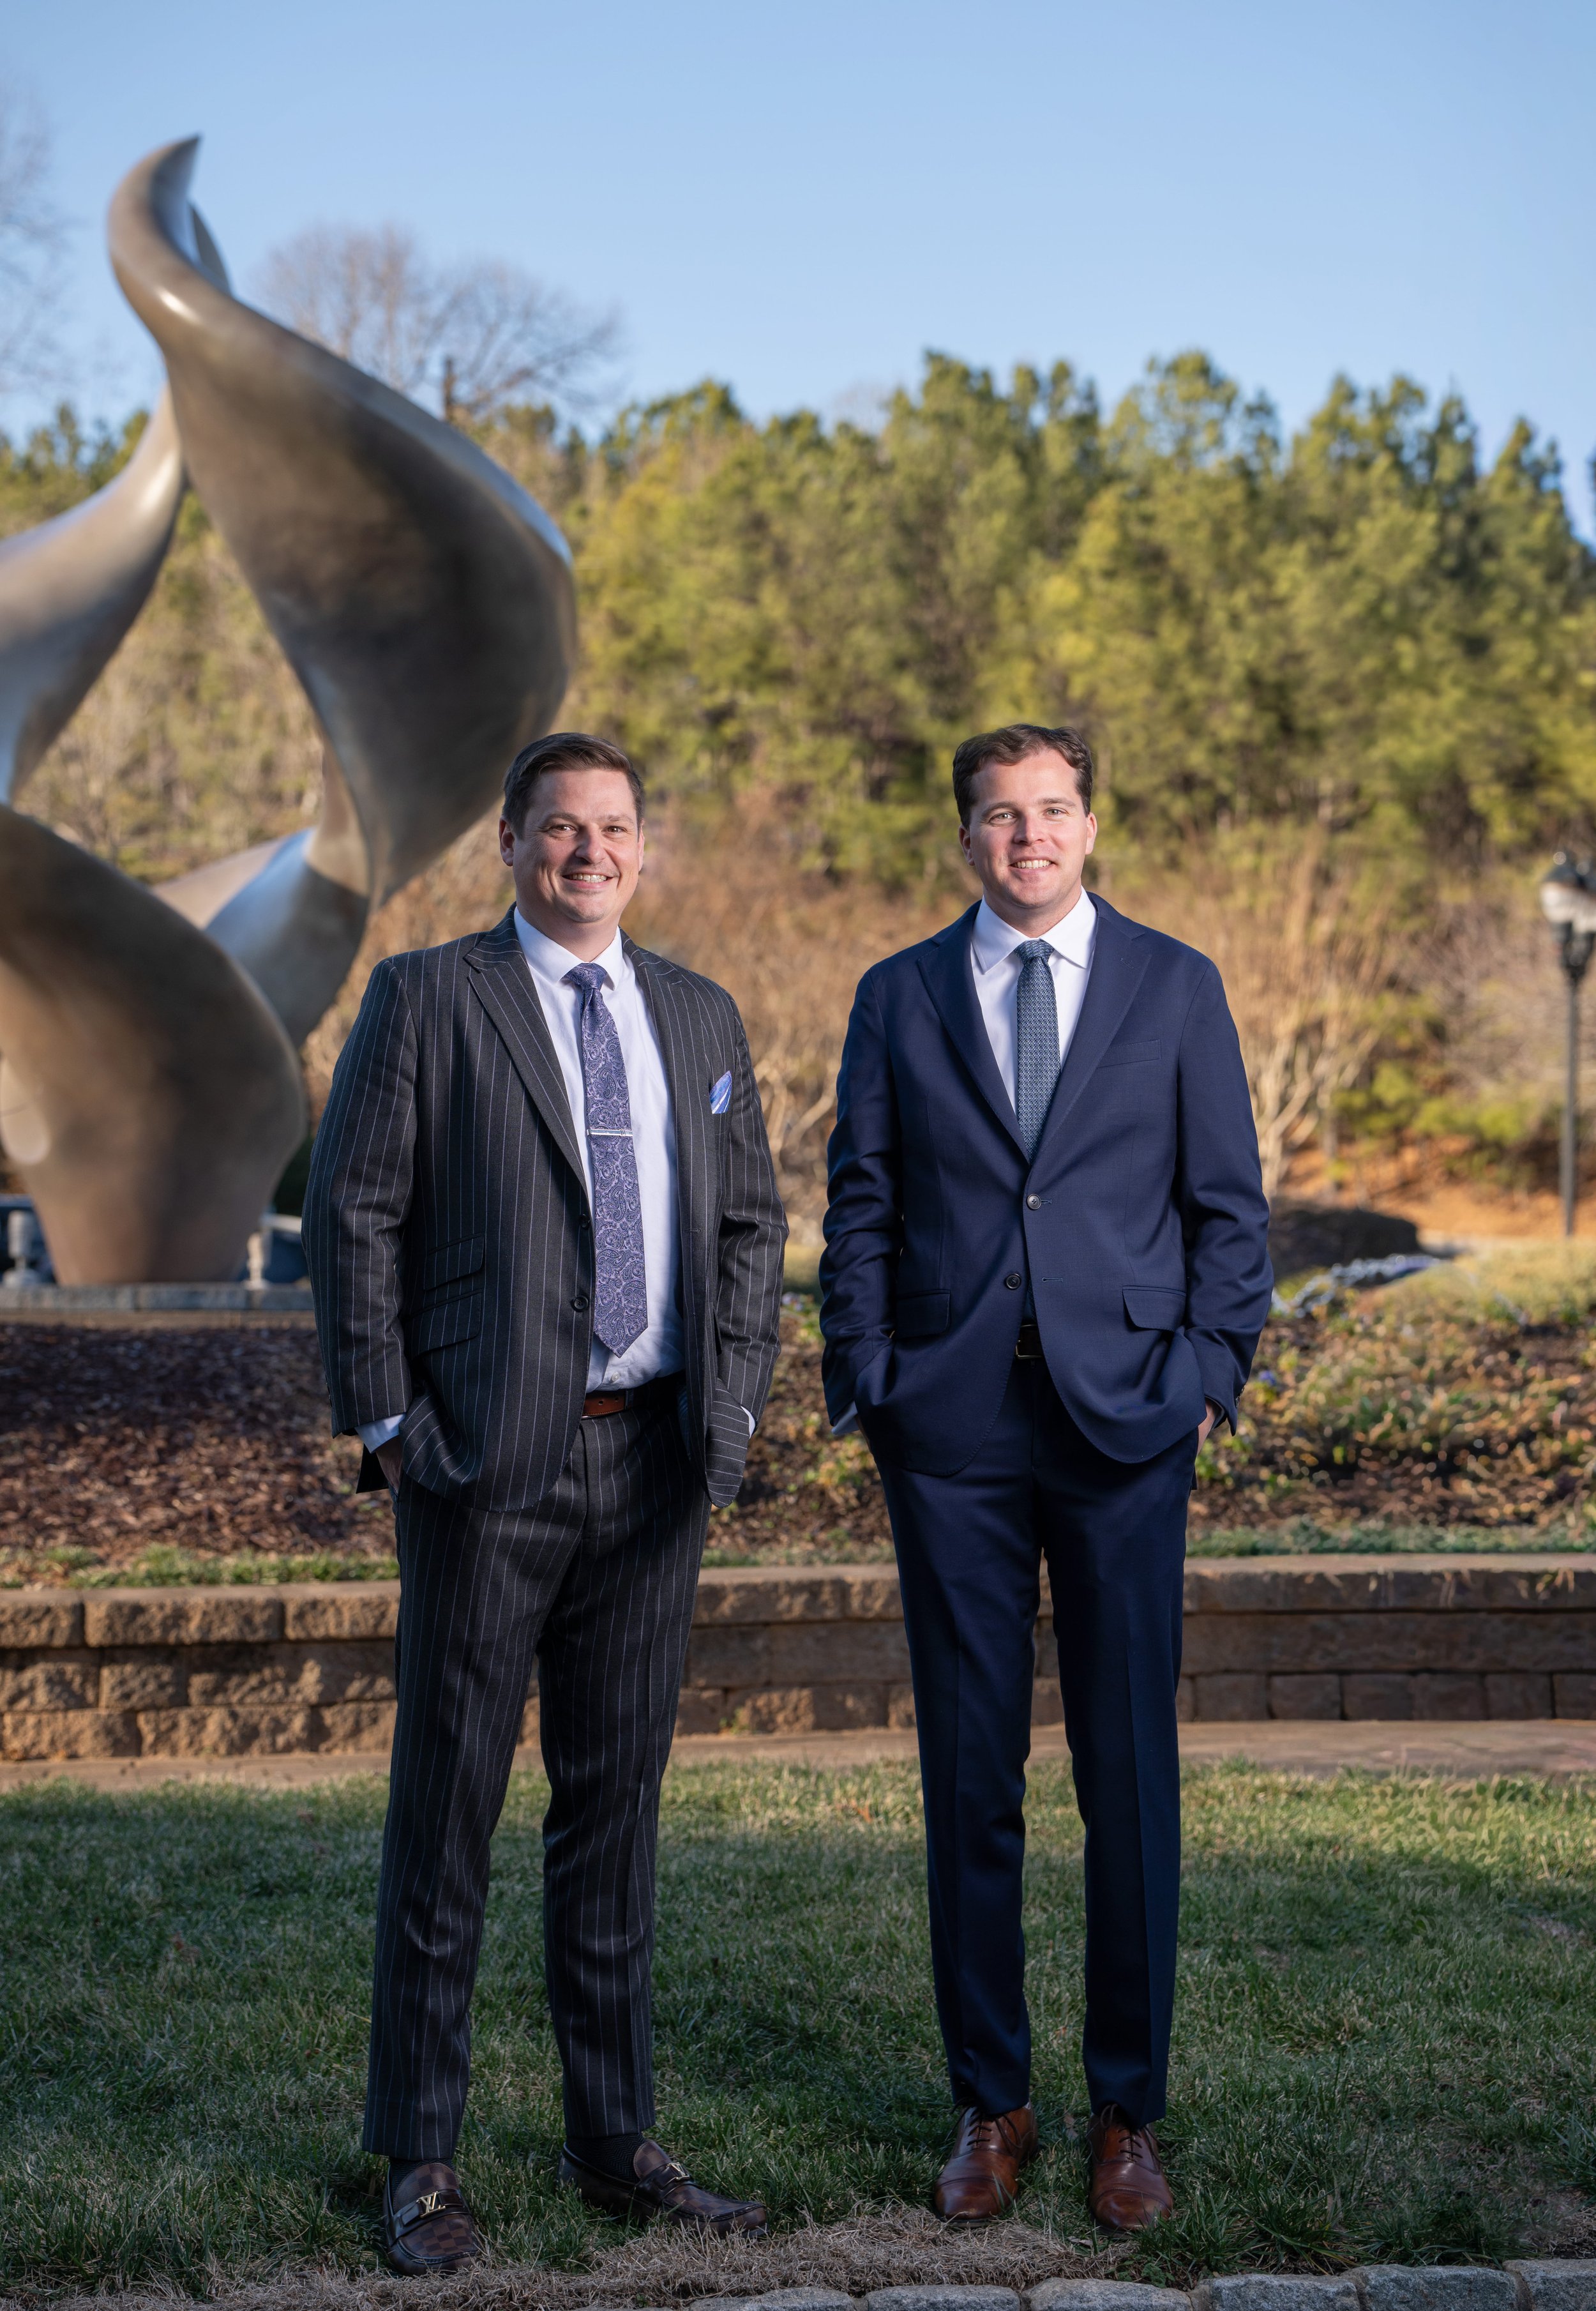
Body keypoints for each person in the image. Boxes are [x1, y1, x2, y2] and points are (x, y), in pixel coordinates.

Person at [303, 731, 786, 2272]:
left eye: (615, 828)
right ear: (507, 843)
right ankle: (421, 2157)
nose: (590, 852)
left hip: (654, 1468)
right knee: (447, 1815)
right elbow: (353, 1210)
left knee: (614, 1813)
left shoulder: (696, 1012)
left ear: (644, 848)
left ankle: (611, 2136)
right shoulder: (428, 997)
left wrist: (733, 1400)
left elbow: (753, 1228)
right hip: (484, 1463)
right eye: (560, 828)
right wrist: (391, 1421)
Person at [820, 723, 1270, 2231]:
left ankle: (1125, 2110)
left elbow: (1227, 1208)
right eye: (1001, 814)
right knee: (970, 1773)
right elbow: (860, 1206)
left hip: (1126, 1422)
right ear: (966, 837)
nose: (1030, 835)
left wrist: (1209, 1369)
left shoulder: (1174, 983)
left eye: (1054, 809)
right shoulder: (895, 995)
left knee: (1125, 1773)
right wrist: (868, 1380)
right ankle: (990, 2101)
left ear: (1092, 824)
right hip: (948, 1429)